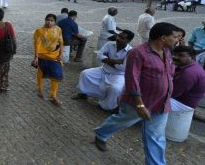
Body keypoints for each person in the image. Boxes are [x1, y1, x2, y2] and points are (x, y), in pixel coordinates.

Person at [94, 22, 179, 165]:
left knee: (156, 136)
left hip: (161, 103)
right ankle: (101, 133)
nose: (177, 40)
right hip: (138, 102)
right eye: (175, 37)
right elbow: (131, 79)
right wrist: (140, 105)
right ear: (163, 38)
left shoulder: (167, 52)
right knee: (122, 120)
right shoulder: (138, 53)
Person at [73, 30, 135, 113]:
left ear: (128, 41)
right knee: (85, 74)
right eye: (118, 36)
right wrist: (116, 61)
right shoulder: (109, 44)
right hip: (103, 70)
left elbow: (123, 68)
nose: (118, 39)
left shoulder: (131, 52)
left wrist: (107, 60)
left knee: (115, 88)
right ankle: (83, 94)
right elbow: (99, 56)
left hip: (118, 75)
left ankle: (107, 106)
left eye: (122, 38)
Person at [33, 13, 64, 106]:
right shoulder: (39, 31)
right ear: (45, 20)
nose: (49, 22)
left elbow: (61, 42)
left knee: (56, 74)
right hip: (42, 56)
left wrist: (61, 54)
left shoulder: (58, 30)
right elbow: (36, 44)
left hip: (55, 56)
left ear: (55, 22)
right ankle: (39, 89)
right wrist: (36, 57)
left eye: (51, 20)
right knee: (41, 71)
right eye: (47, 20)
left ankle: (53, 96)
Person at [170, 46, 205, 112]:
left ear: (191, 57)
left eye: (181, 55)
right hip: (184, 100)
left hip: (183, 104)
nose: (175, 57)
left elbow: (172, 93)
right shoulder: (193, 66)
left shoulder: (189, 73)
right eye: (174, 54)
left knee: (154, 98)